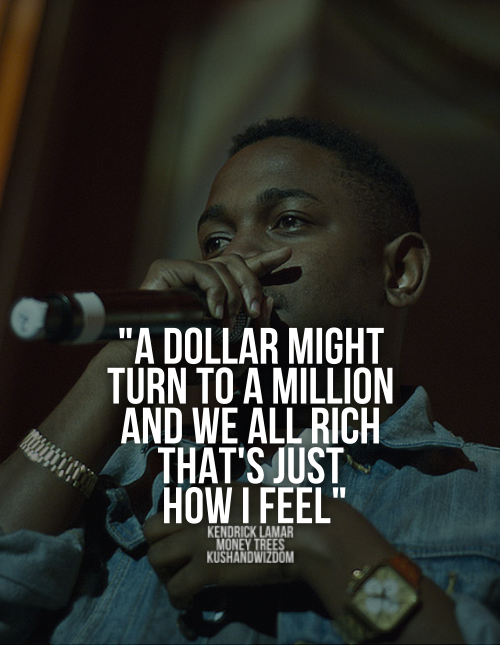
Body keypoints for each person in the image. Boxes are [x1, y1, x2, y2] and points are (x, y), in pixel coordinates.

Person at [0, 117, 499, 644]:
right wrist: (117, 367)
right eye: (216, 240)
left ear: (399, 271)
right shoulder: (124, 479)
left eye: (288, 221)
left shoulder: (481, 494)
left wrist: (325, 545)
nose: (237, 256)